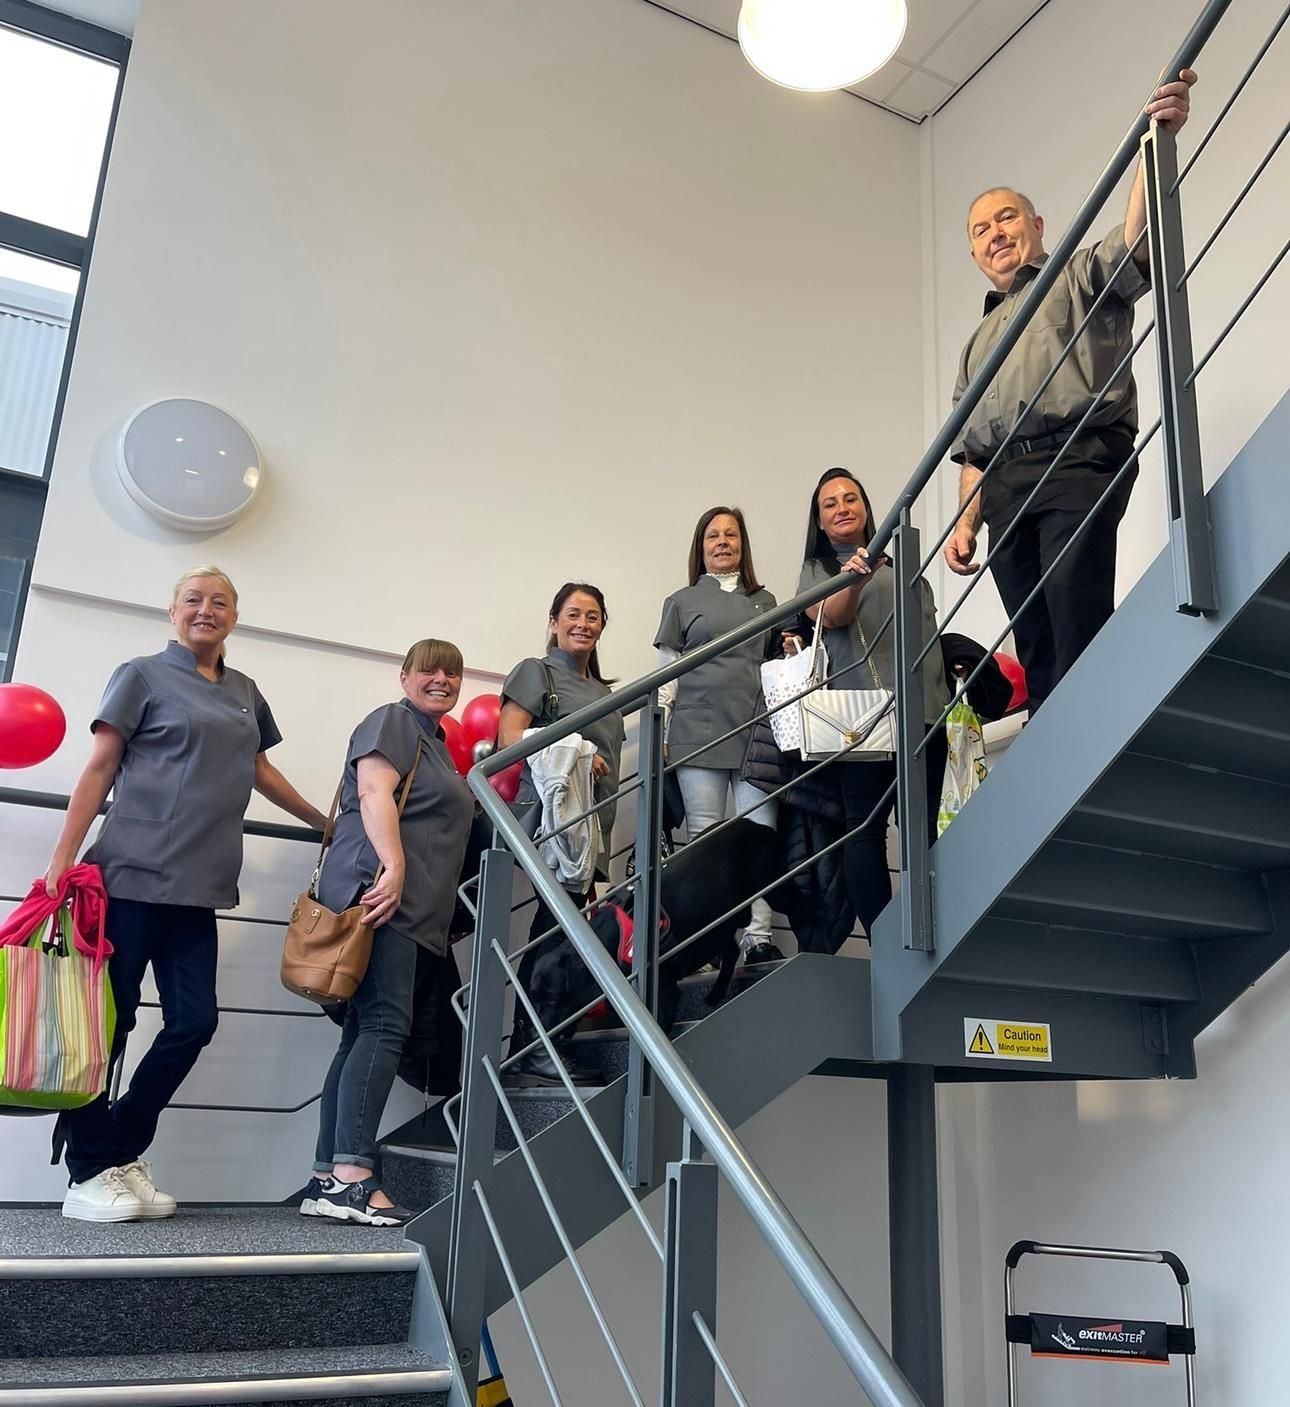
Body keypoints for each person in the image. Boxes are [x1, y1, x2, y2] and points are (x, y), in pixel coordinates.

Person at [45, 567, 326, 1223]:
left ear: (234, 615)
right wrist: (61, 860)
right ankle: (87, 1172)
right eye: (194, 599)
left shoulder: (245, 692)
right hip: (130, 875)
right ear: (173, 610)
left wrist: (323, 821)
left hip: (199, 888)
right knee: (104, 1030)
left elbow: (258, 769)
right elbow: (100, 765)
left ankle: (117, 1146)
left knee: (195, 1021)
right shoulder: (140, 674)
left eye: (219, 601)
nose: (206, 609)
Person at [943, 70, 1198, 710]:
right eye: (981, 230)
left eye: (1006, 217)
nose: (995, 232)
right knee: (1035, 641)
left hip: (1078, 456)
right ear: (975, 254)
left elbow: (1136, 237)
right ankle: (1056, 765)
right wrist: (964, 525)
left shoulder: (1073, 272)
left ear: (1036, 222)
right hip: (1005, 487)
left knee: (1074, 616)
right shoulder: (976, 343)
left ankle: (1090, 749)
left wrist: (1154, 141)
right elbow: (972, 449)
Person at [304, 639, 474, 1227]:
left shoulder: (439, 744)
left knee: (361, 1032)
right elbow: (375, 789)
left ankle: (329, 1174)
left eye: (452, 671)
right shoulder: (393, 721)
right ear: (404, 676)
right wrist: (396, 868)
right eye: (428, 668)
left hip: (410, 910)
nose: (442, 678)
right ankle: (352, 1176)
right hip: (383, 899)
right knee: (382, 1026)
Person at [798, 470, 951, 940]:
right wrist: (856, 578)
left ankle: (933, 926)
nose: (842, 507)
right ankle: (885, 938)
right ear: (820, 522)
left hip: (924, 710)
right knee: (864, 828)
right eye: (830, 504)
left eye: (851, 498)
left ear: (866, 507)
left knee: (923, 829)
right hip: (860, 719)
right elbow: (835, 616)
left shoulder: (902, 559)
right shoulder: (817, 572)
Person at [497, 583, 625, 1087]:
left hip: (593, 828)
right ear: (553, 621)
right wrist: (578, 751)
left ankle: (537, 1042)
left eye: (594, 616)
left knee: (561, 934)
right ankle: (534, 1046)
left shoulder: (606, 692)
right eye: (573, 614)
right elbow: (510, 739)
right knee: (556, 934)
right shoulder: (537, 672)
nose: (583, 623)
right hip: (554, 825)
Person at [654, 506, 783, 964]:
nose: (723, 541)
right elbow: (667, 673)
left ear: (743, 544)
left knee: (759, 838)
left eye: (731, 534)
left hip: (756, 731)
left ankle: (758, 936)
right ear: (701, 546)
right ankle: (713, 941)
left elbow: (774, 666)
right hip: (697, 730)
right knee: (706, 842)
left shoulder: (766, 601)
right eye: (713, 535)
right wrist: (662, 728)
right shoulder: (681, 600)